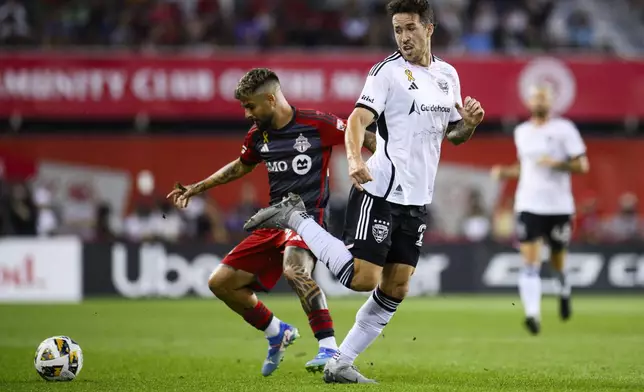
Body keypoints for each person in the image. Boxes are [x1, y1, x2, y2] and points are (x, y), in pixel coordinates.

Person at [243, 0, 484, 383]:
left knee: (396, 286)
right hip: (380, 189)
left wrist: (468, 124)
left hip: (417, 199)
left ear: (429, 28)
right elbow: (357, 120)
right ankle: (295, 217)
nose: (403, 37)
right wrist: (355, 160)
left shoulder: (447, 76)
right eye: (397, 29)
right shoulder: (385, 73)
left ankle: (340, 363)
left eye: (410, 28)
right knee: (363, 279)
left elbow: (453, 136)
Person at [167, 68, 377, 377]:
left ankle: (329, 347)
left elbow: (367, 137)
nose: (246, 114)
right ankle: (277, 332)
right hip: (273, 220)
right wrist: (198, 187)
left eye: (250, 106)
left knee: (294, 269)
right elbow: (241, 166)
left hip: (308, 217)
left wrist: (377, 172)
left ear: (270, 98)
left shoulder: (317, 124)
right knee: (220, 283)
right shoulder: (258, 135)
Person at [491, 84, 589, 335]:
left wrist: (555, 163)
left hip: (558, 206)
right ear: (529, 102)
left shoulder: (564, 129)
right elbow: (526, 167)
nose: (539, 102)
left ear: (552, 102)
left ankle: (564, 289)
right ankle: (532, 314)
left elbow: (582, 165)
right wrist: (506, 172)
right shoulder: (522, 132)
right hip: (529, 204)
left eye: (544, 98)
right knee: (530, 262)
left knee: (557, 261)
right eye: (536, 98)